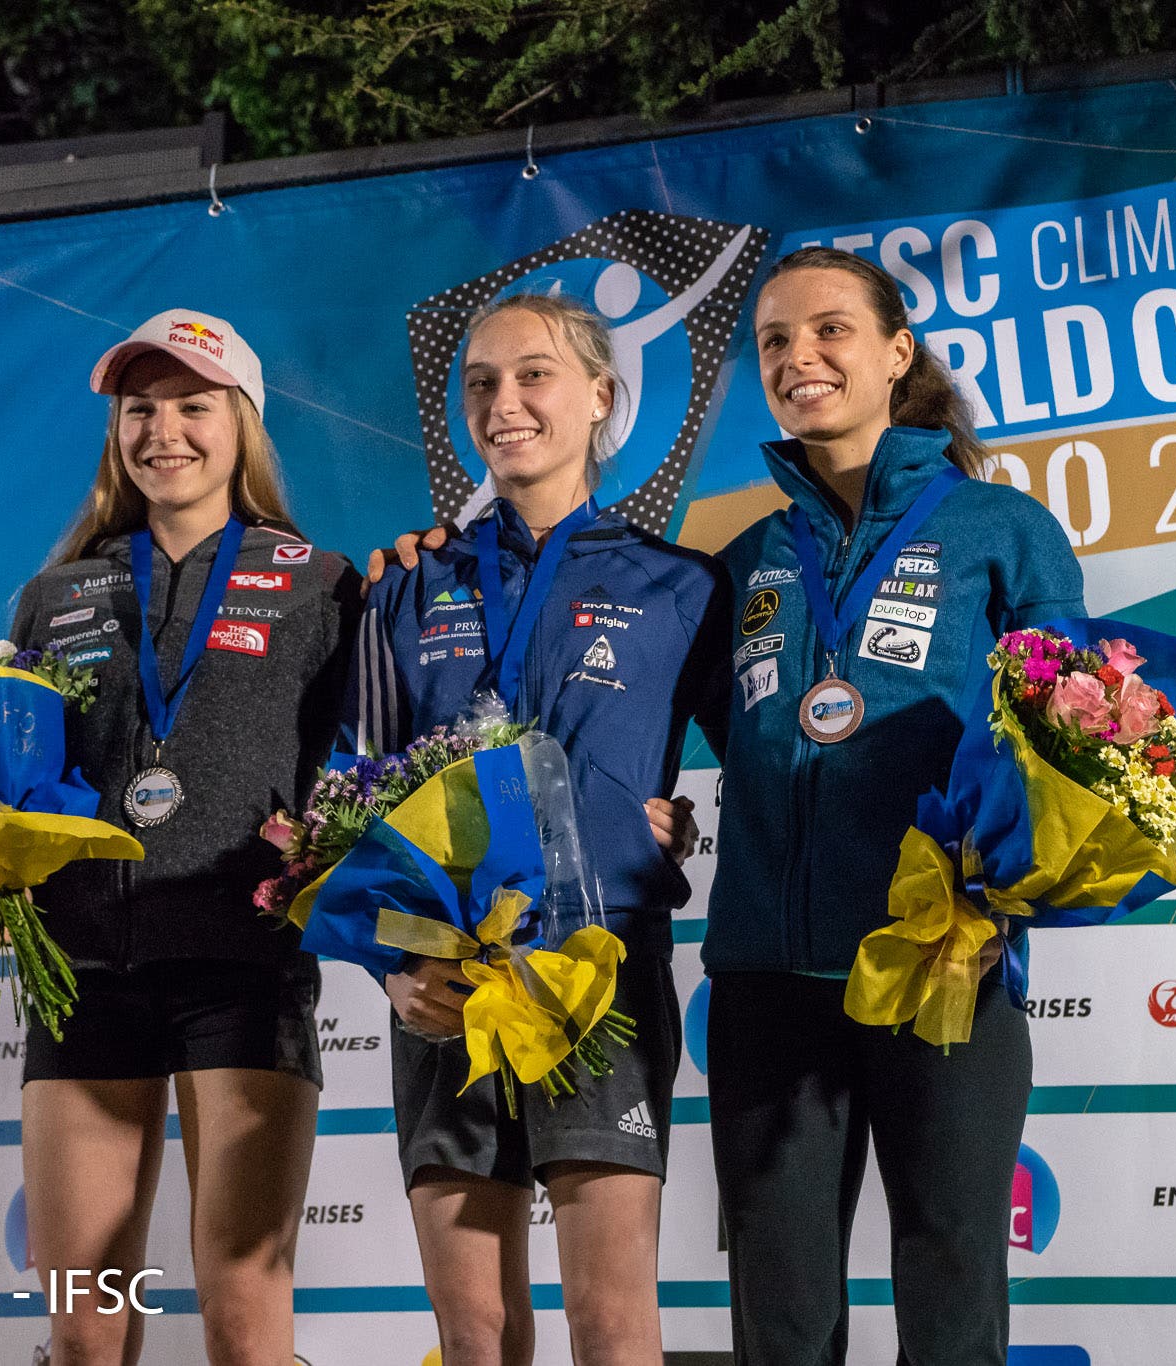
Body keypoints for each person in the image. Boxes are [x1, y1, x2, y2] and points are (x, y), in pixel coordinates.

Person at [0, 309, 360, 1366]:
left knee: (241, 1309)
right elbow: (20, 785)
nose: (162, 430)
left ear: (245, 424)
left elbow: (366, 779)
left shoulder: (322, 583)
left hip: (242, 964)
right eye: (140, 409)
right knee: (82, 1324)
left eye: (192, 404)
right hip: (85, 963)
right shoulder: (55, 594)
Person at [702, 246, 1086, 1366]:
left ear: (894, 354)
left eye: (826, 330)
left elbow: (1067, 745)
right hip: (769, 981)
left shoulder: (999, 531)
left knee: (950, 1282)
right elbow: (734, 742)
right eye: (772, 340)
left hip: (942, 963)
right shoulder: (742, 562)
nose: (796, 357)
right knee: (780, 1315)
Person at [348, 293, 728, 1366]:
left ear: (601, 396)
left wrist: (666, 825)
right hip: (442, 984)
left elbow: (776, 755)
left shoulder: (681, 585)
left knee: (610, 1328)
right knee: (475, 1335)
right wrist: (388, 965)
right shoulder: (409, 584)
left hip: (595, 970)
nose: (502, 402)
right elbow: (349, 800)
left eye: (532, 375)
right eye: (479, 383)